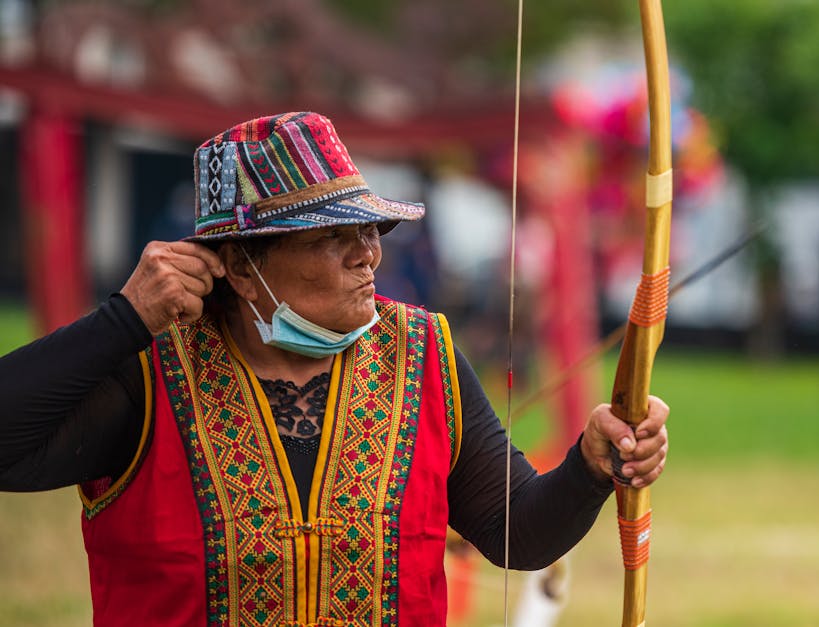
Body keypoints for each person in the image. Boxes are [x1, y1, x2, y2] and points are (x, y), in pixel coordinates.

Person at [0, 112, 669, 626]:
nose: (368, 256)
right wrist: (122, 320)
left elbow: (516, 530)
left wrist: (590, 464)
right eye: (331, 236)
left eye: (370, 231)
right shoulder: (149, 369)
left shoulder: (425, 355)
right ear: (239, 265)